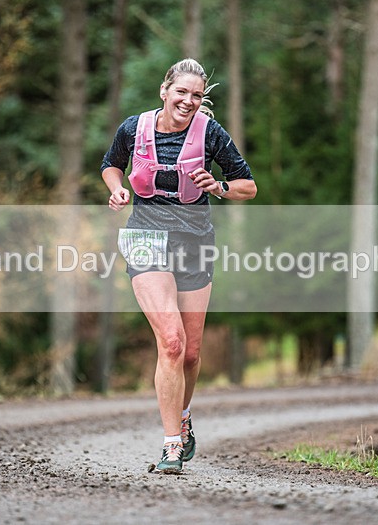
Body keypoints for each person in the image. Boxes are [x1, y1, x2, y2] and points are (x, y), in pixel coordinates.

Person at [100, 58, 257, 473]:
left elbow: (248, 185)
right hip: (146, 238)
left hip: (194, 242)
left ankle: (183, 418)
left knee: (190, 352)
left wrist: (219, 186)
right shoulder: (134, 129)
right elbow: (111, 165)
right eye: (182, 92)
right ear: (165, 91)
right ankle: (171, 444)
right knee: (171, 342)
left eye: (197, 95)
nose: (188, 101)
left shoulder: (211, 134)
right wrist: (117, 191)